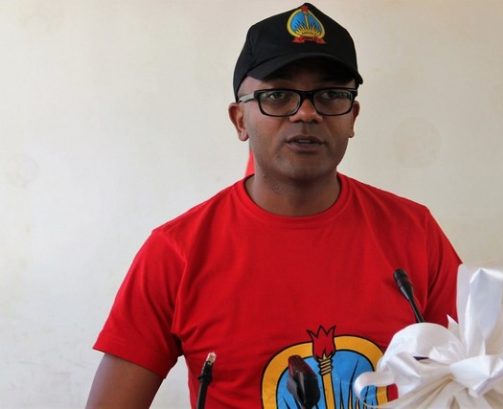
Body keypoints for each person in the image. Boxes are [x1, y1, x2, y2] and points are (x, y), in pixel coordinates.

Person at [86, 3, 460, 408]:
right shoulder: (177, 252)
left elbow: (473, 380)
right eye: (278, 95)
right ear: (239, 120)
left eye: (331, 95)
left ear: (352, 116)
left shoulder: (414, 232)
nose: (307, 113)